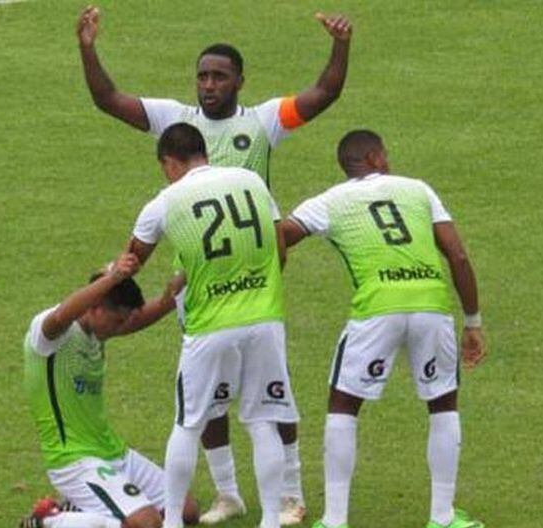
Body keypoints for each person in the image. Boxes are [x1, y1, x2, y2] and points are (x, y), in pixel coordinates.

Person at [77, 6, 353, 522]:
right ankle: (229, 492)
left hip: (241, 285)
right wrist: (88, 49)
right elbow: (108, 99)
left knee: (259, 402)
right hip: (201, 286)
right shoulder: (176, 119)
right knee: (216, 403)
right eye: (202, 76)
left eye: (219, 76)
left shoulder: (263, 121)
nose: (208, 85)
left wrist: (340, 45)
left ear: (240, 81)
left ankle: (290, 494)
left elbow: (324, 92)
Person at [279, 130, 487, 528]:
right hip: (431, 306)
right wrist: (473, 322)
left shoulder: (330, 201)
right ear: (375, 157)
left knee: (344, 405)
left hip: (376, 311)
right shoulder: (418, 190)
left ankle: (335, 520)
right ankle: (443, 517)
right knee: (442, 403)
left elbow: (280, 236)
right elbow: (457, 255)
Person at [125, 123, 299, 528]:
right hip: (264, 320)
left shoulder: (165, 202)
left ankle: (172, 522)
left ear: (170, 163)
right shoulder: (251, 181)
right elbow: (280, 249)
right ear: (203, 152)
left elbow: (130, 263)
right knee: (262, 421)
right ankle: (271, 520)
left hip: (209, 325)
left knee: (188, 424)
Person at [19, 253, 199, 528]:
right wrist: (113, 277)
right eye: (117, 321)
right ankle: (48, 521)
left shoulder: (96, 331)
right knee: (148, 524)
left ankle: (81, 509)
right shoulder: (51, 337)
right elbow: (60, 315)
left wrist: (174, 294)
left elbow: (137, 318)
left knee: (185, 511)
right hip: (75, 461)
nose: (121, 329)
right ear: (95, 307)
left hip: (114, 453)